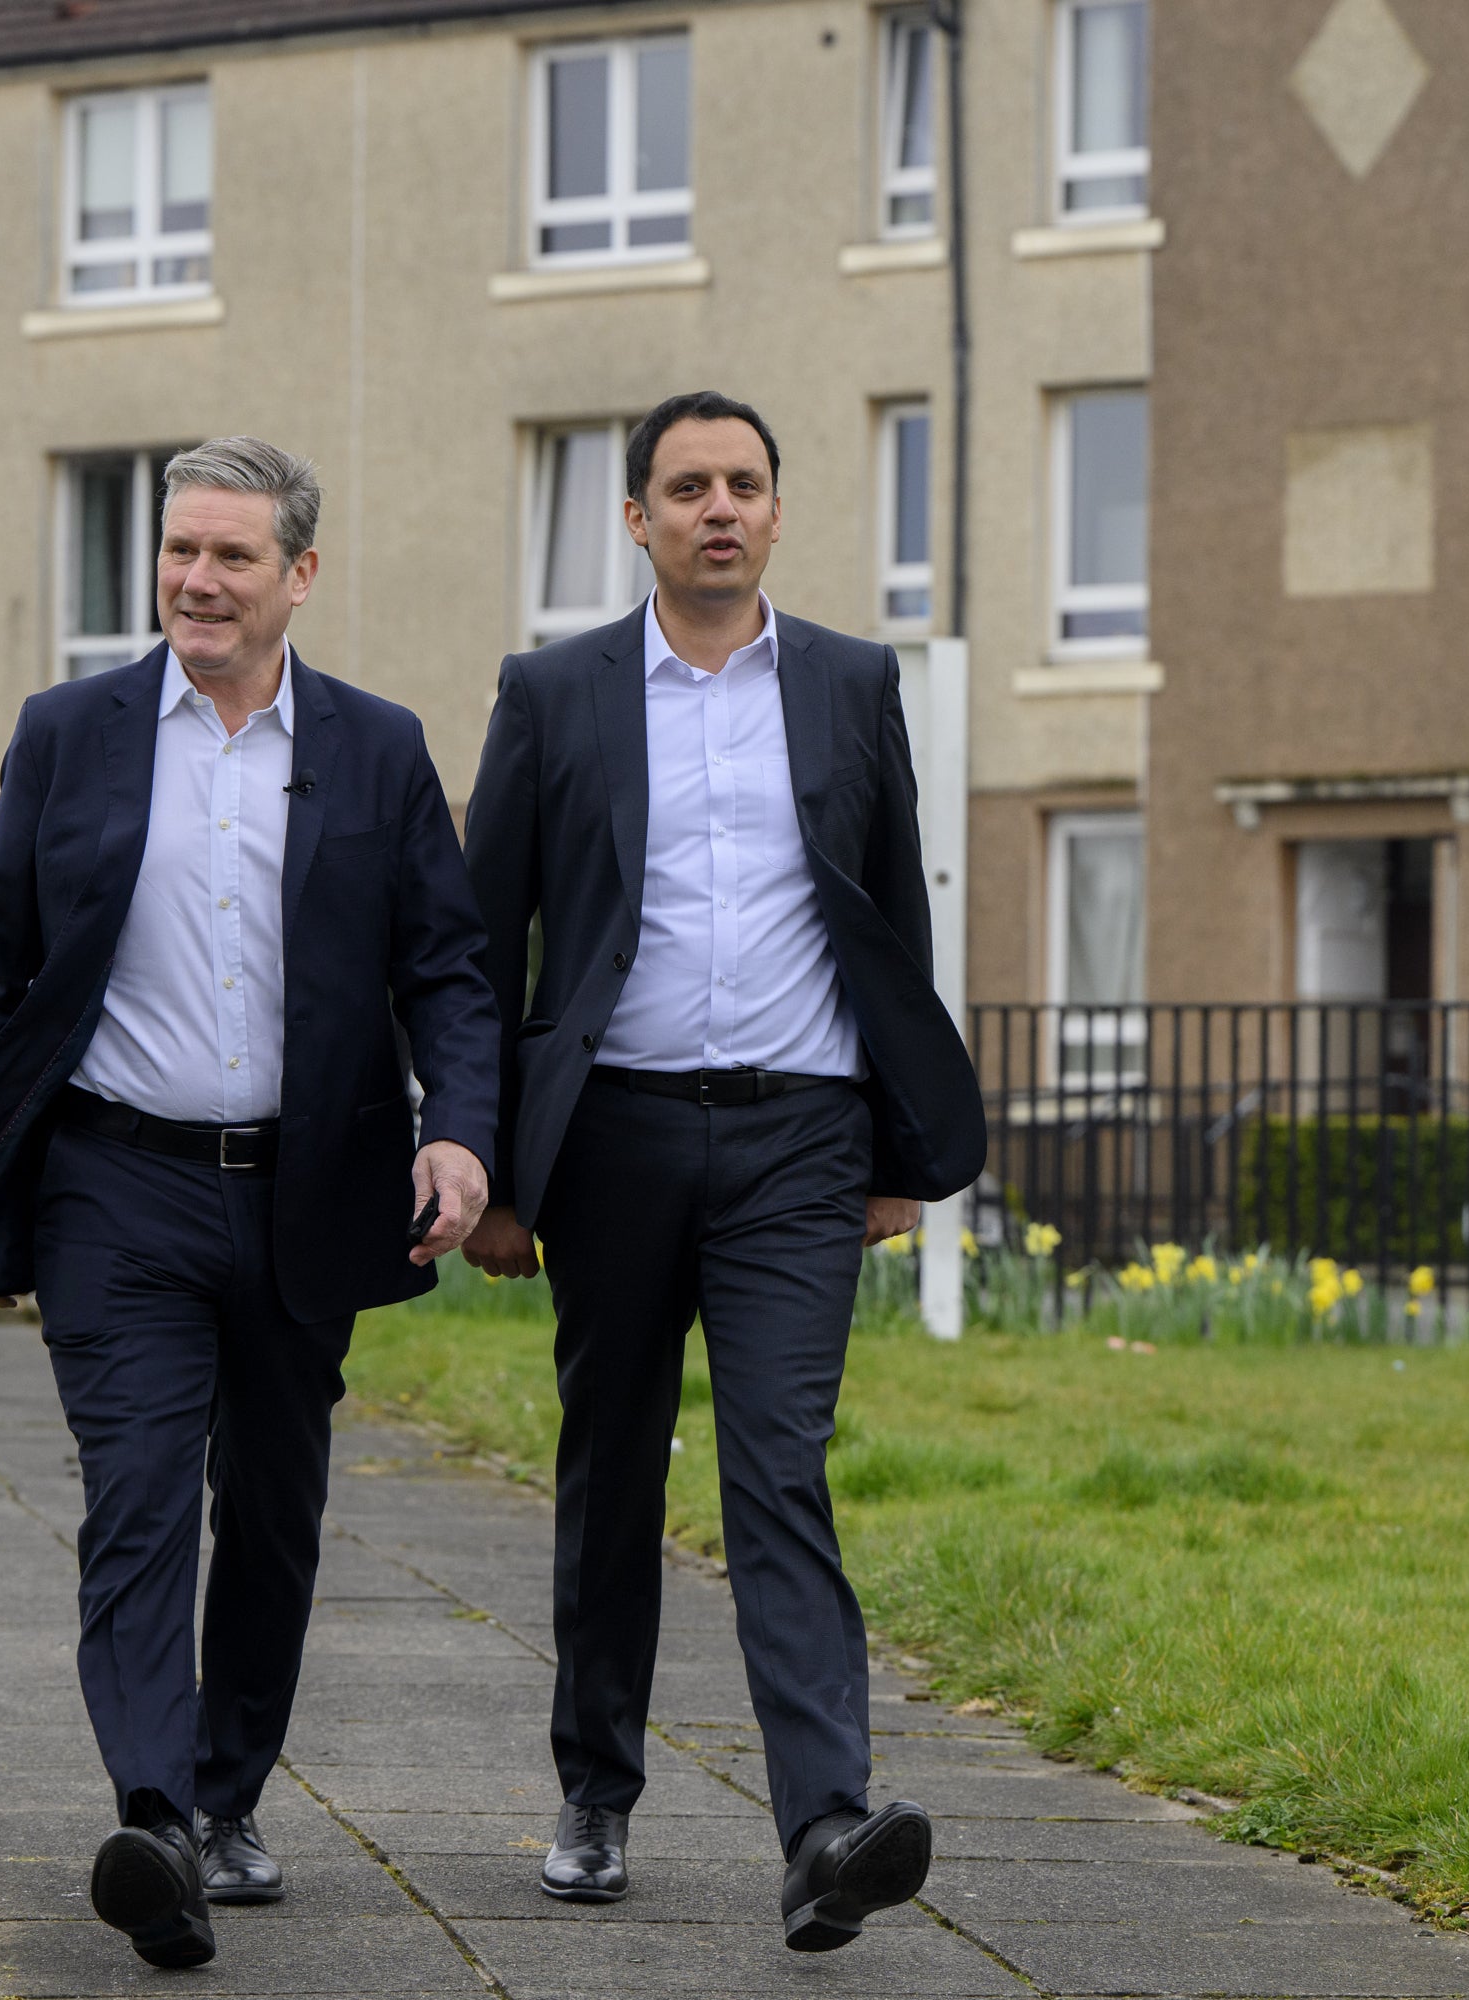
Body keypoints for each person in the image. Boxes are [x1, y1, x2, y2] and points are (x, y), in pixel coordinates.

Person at [0, 437, 500, 1971]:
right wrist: (9, 1146)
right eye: (180, 552)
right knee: (143, 1497)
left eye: (233, 556)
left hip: (309, 1191)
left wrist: (462, 1138)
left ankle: (230, 1797)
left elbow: (446, 969)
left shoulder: (375, 747)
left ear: (301, 575)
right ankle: (155, 1820)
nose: (197, 580)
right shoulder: (70, 734)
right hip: (117, 1189)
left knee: (278, 1516)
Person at [460, 390, 987, 1952]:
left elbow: (892, 915)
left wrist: (897, 1145)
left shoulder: (846, 683)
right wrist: (490, 1167)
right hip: (611, 1136)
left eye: (744, 484)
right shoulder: (552, 694)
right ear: (636, 518)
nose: (717, 508)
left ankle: (827, 1828)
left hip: (799, 1142)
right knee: (612, 1469)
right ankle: (595, 1795)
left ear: (775, 509)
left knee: (779, 1466)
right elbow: (488, 941)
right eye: (686, 486)